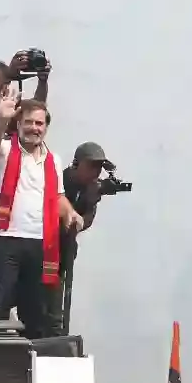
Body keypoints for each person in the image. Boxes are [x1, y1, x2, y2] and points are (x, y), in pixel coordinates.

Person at [0, 93, 82, 338]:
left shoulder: (53, 160)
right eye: (28, 122)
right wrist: (1, 120)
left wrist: (70, 212)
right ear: (18, 124)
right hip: (7, 239)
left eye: (39, 123)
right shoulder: (5, 150)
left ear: (46, 127)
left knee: (36, 310)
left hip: (40, 242)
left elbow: (57, 197)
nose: (34, 128)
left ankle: (33, 360)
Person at [57, 142, 119, 335]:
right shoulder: (61, 180)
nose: (96, 172)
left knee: (57, 304)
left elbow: (86, 220)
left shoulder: (90, 188)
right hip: (43, 247)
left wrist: (90, 200)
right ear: (77, 164)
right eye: (91, 166)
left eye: (99, 168)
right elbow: (58, 215)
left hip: (65, 250)